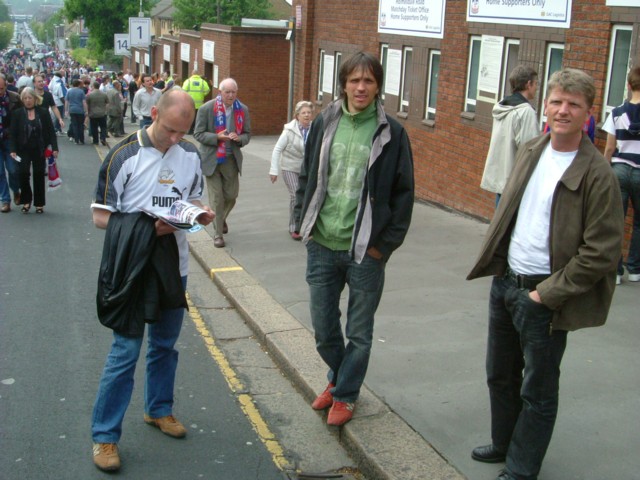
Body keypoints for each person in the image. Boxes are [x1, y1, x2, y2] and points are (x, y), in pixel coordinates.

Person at [467, 69, 624, 480]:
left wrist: (545, 295)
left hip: (544, 296)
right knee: (500, 373)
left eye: (573, 104)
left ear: (589, 113)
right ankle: (504, 443)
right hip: (507, 282)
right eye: (556, 101)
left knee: (537, 388)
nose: (562, 110)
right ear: (546, 106)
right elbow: (510, 210)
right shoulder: (533, 149)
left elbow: (602, 251)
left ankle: (521, 468)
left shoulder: (597, 173)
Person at [90, 88, 214, 472]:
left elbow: (190, 198)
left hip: (172, 266)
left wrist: (198, 214)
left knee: (165, 345)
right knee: (124, 353)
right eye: (172, 130)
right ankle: (105, 437)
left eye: (184, 131)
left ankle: (158, 410)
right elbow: (100, 216)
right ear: (154, 113)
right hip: (132, 266)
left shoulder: (190, 154)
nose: (177, 139)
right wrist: (149, 228)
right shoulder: (123, 154)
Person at [294, 52, 415, 426]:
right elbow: (306, 175)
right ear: (343, 83)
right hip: (322, 244)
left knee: (359, 333)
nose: (361, 87)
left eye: (369, 81)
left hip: (366, 251)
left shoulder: (392, 133)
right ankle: (339, 376)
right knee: (324, 329)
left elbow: (404, 194)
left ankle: (345, 393)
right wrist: (302, 220)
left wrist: (384, 247)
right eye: (354, 80)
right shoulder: (325, 121)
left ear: (378, 86)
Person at [194, 78, 251, 248]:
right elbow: (198, 133)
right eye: (227, 92)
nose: (231, 95)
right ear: (220, 92)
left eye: (234, 92)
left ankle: (221, 218)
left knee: (231, 196)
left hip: (230, 159)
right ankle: (218, 234)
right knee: (217, 199)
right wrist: (216, 137)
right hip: (211, 159)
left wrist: (239, 138)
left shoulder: (243, 110)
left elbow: (247, 134)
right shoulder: (206, 109)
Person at [480, 65, 540, 205]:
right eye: (535, 83)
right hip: (516, 182)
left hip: (502, 177)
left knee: (500, 220)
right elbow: (530, 150)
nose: (537, 88)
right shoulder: (526, 112)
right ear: (528, 84)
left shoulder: (502, 106)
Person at [603, 66, 640, 285]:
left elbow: (608, 148)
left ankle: (615, 272)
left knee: (616, 221)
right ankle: (635, 269)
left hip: (619, 170)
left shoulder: (616, 113)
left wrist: (606, 172)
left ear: (628, 85)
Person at [9, 87, 58, 214]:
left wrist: (54, 148)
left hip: (39, 149)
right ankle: (26, 200)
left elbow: (51, 131)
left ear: (35, 99)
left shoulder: (43, 112)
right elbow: (13, 134)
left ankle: (39, 203)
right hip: (23, 149)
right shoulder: (17, 114)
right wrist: (13, 149)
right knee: (23, 174)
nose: (27, 101)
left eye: (30, 98)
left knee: (38, 173)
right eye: (25, 98)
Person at [269, 100, 314, 240]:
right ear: (297, 116)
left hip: (307, 169)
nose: (307, 115)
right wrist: (273, 170)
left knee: (308, 196)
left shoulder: (315, 128)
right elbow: (277, 149)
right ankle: (294, 227)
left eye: (309, 113)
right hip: (290, 167)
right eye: (303, 113)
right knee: (296, 195)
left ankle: (307, 225)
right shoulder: (289, 130)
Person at [0, 74, 23, 213]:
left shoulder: (15, 98)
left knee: (13, 170)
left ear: (6, 86)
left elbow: (22, 117)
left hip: (10, 140)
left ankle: (16, 190)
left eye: (1, 88)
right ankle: (5, 200)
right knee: (0, 173)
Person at [183, 69, 210, 134]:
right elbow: (207, 90)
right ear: (198, 74)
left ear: (192, 74)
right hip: (199, 104)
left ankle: (189, 131)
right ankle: (196, 131)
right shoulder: (202, 82)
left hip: (189, 104)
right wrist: (202, 94)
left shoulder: (188, 81)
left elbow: (183, 91)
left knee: (190, 117)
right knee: (197, 118)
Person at [65, 78, 88, 144]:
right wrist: (86, 110)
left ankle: (76, 140)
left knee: (74, 125)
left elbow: (66, 101)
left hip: (72, 110)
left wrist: (66, 110)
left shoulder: (69, 91)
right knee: (80, 125)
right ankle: (82, 139)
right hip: (80, 110)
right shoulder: (81, 91)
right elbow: (84, 102)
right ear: (78, 84)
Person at [86, 81, 109, 146]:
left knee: (94, 127)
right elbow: (107, 103)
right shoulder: (104, 94)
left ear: (93, 86)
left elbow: (87, 104)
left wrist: (87, 112)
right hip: (102, 113)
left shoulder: (90, 95)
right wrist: (105, 110)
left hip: (93, 114)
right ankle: (103, 138)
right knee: (103, 127)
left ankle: (95, 140)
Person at [49, 70, 67, 135]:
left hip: (55, 100)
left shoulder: (53, 81)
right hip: (59, 102)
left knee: (57, 117)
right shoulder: (58, 83)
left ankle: (58, 129)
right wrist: (65, 103)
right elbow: (61, 95)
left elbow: (50, 88)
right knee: (59, 117)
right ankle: (57, 129)